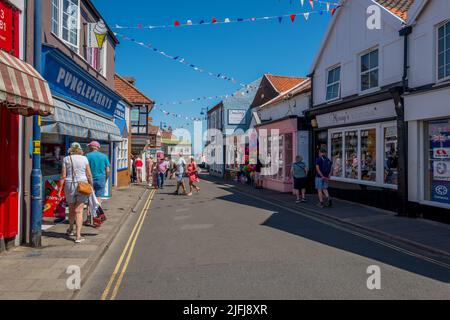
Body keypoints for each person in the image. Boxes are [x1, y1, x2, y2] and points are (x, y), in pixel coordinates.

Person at [60, 142, 93, 244]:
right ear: (80, 149)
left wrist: (59, 189)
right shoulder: (84, 158)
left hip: (70, 185)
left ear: (70, 149)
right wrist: (91, 186)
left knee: (71, 209)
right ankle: (78, 236)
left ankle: (70, 229)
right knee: (79, 211)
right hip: (82, 185)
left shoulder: (66, 159)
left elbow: (63, 176)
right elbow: (89, 174)